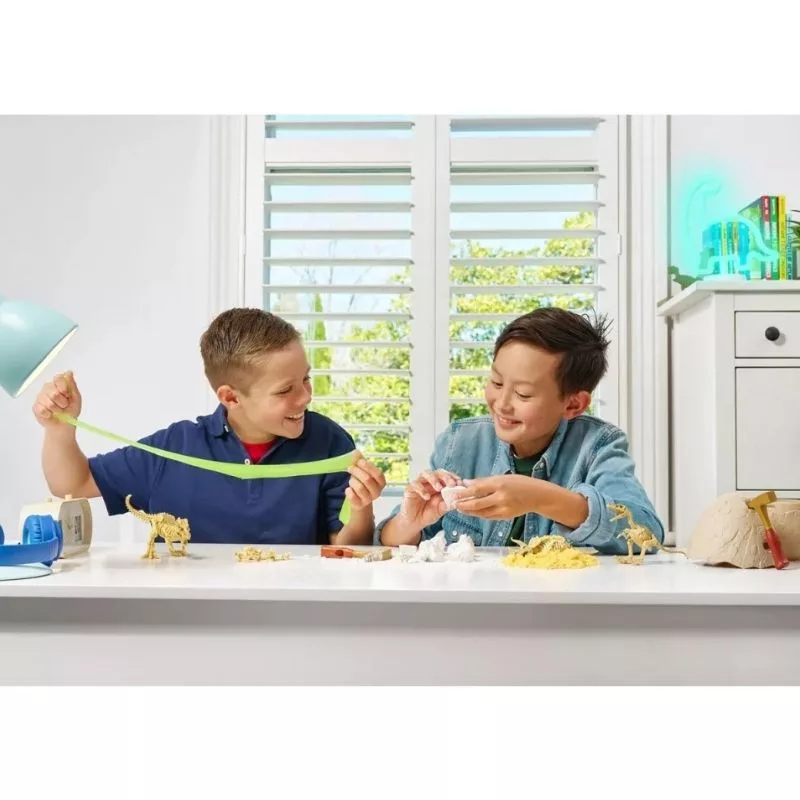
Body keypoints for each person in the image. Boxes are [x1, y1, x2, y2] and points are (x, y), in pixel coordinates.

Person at [33, 308, 385, 546]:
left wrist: (361, 506)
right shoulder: (175, 448)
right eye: (285, 390)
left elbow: (347, 550)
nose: (305, 397)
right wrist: (59, 430)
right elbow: (72, 484)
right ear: (231, 397)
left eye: (306, 379)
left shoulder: (329, 441)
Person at [377, 307, 663, 554]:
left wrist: (540, 497)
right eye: (497, 382)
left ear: (573, 404)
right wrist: (409, 522)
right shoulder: (460, 442)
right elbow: (389, 543)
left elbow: (646, 535)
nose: (502, 404)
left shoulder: (598, 446)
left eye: (523, 394)